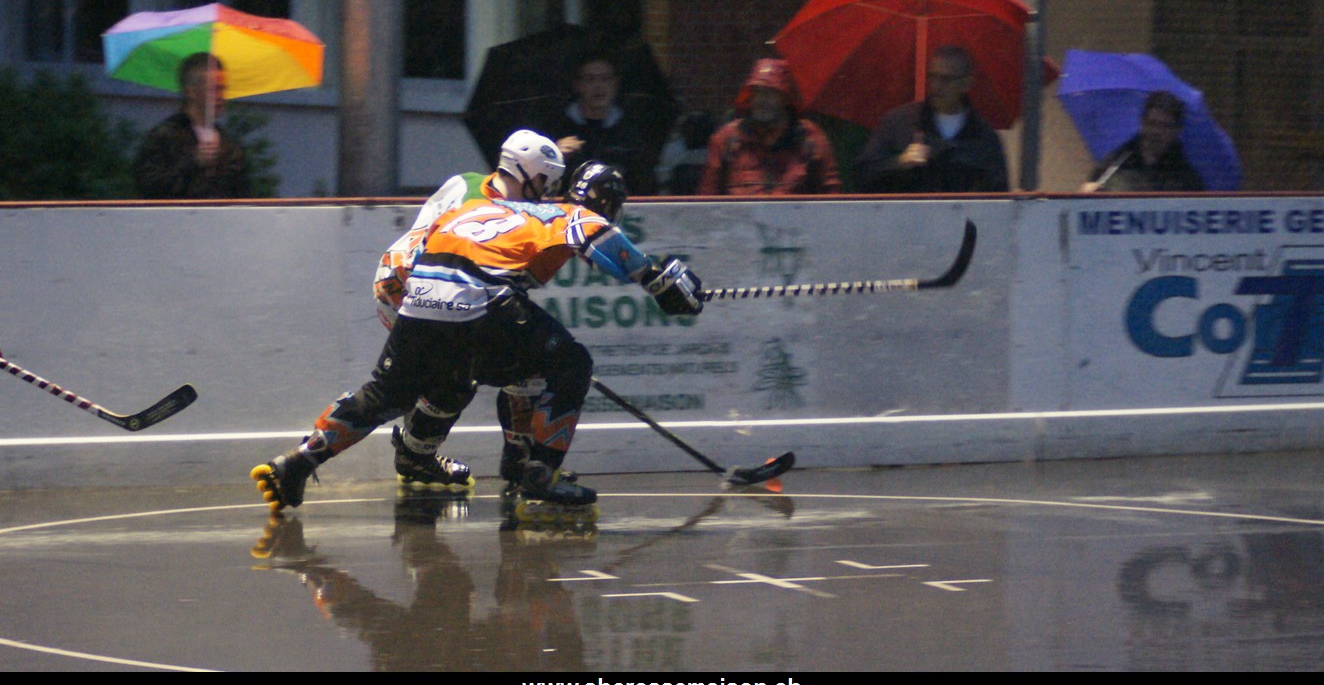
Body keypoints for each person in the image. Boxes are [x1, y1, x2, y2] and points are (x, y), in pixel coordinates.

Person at [252, 161, 704, 518]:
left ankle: (297, 462)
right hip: (475, 297)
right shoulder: (569, 213)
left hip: (420, 296)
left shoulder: (498, 207)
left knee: (388, 393)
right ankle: (540, 476)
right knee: (571, 364)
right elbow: (599, 238)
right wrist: (660, 279)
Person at [371, 129, 566, 491]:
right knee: (471, 372)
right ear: (526, 174)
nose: (547, 194)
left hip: (397, 277)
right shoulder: (505, 212)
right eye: (545, 182)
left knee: (461, 372)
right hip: (424, 288)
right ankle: (427, 454)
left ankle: (420, 451)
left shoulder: (465, 182)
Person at [855, 46, 1009, 193]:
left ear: (967, 83)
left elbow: (998, 193)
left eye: (946, 79)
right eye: (932, 76)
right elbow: (863, 176)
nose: (936, 86)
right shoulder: (898, 123)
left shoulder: (984, 137)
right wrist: (899, 162)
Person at [696, 58, 841, 196]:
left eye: (770, 94)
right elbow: (707, 199)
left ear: (786, 98)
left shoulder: (810, 139)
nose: (761, 100)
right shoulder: (726, 139)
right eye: (757, 92)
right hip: (742, 215)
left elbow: (831, 198)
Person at [134, 52, 250, 199]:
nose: (221, 96)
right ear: (191, 92)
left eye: (223, 89)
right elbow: (149, 188)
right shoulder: (164, 137)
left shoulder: (230, 146)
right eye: (214, 89)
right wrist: (194, 162)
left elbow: (242, 196)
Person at [541, 54, 657, 196]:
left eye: (605, 79)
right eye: (590, 79)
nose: (599, 86)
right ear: (577, 85)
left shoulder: (632, 129)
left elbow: (645, 182)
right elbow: (537, 181)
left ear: (616, 83)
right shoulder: (556, 126)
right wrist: (554, 156)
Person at [1082, 90, 1205, 192]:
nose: (1156, 131)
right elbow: (1091, 193)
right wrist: (1086, 197)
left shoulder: (1186, 179)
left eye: (1165, 126)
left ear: (1176, 130)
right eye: (1152, 123)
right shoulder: (1116, 162)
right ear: (1142, 123)